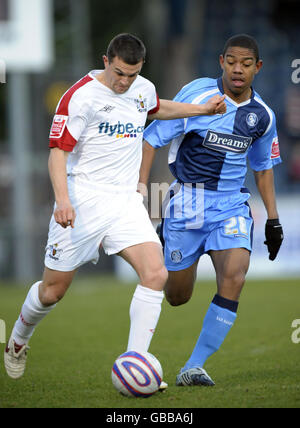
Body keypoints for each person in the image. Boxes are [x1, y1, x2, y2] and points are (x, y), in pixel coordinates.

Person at [4, 33, 226, 382]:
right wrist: (62, 200)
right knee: (52, 291)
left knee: (156, 274)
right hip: (83, 201)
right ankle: (18, 339)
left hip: (124, 202)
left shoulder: (142, 88)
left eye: (132, 74)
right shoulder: (80, 97)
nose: (124, 81)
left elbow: (157, 108)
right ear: (106, 61)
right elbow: (57, 153)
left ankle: (135, 364)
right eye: (119, 73)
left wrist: (202, 109)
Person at [139, 34, 284, 386]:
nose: (238, 69)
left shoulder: (262, 116)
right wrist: (139, 191)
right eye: (232, 61)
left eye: (246, 64)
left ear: (257, 68)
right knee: (177, 296)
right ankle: (168, 246)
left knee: (235, 275)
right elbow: (151, 138)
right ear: (221, 61)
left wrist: (274, 220)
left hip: (231, 203)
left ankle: (194, 366)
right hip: (187, 202)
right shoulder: (198, 95)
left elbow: (263, 168)